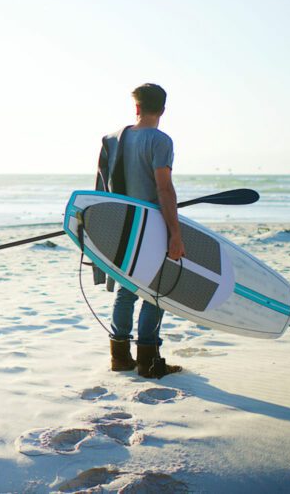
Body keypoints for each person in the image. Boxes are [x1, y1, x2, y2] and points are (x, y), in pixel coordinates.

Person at [94, 83, 184, 378]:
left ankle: (119, 357)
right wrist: (175, 233)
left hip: (122, 225)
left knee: (126, 289)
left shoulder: (113, 140)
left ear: (137, 108)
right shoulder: (160, 141)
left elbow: (102, 188)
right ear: (163, 110)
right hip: (151, 226)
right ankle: (148, 360)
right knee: (155, 292)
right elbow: (164, 189)